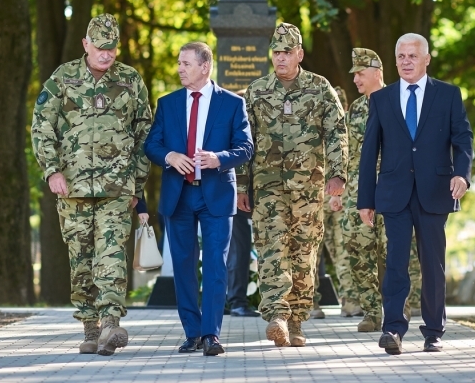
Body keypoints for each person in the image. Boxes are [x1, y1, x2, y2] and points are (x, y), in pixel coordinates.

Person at [31, 13, 152, 356]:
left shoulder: (130, 80)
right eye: (100, 48)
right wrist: (52, 171)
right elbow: (42, 126)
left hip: (117, 189)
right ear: (85, 44)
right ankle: (89, 328)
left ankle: (111, 323)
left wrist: (136, 183)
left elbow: (145, 132)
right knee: (81, 260)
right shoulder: (63, 78)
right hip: (72, 188)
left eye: (112, 49)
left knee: (112, 257)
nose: (107, 54)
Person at [357, 33, 473, 355]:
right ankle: (393, 329)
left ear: (426, 59)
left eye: (412, 56)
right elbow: (370, 152)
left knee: (432, 265)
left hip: (435, 191)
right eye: (401, 56)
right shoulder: (381, 99)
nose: (406, 62)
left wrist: (462, 175)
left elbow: (463, 140)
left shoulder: (448, 95)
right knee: (395, 262)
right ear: (395, 61)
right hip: (393, 193)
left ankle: (434, 332)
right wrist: (365, 200)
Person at [237, 23, 348, 347]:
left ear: (299, 53)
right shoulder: (257, 91)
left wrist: (337, 174)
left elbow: (337, 133)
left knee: (303, 255)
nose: (281, 58)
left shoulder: (320, 88)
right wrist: (242, 185)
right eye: (276, 52)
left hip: (308, 188)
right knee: (272, 251)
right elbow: (245, 141)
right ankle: (277, 315)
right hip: (268, 186)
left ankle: (298, 318)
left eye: (287, 52)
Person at [144, 42, 253, 356]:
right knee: (183, 266)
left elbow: (245, 147)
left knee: (216, 265)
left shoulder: (232, 104)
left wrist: (219, 158)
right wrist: (169, 155)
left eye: (186, 64)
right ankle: (192, 333)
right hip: (178, 196)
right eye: (179, 63)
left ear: (205, 66)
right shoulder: (168, 103)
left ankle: (211, 335)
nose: (180, 69)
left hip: (216, 194)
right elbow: (152, 144)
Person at [333, 48, 422, 333]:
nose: (356, 79)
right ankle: (372, 311)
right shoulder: (356, 110)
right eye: (355, 74)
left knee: (396, 254)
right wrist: (339, 191)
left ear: (377, 73)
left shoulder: (402, 101)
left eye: (360, 73)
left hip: (395, 193)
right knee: (357, 251)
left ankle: (399, 311)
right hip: (359, 194)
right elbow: (346, 153)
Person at [311, 86, 362, 320]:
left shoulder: (352, 127)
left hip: (342, 196)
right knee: (312, 252)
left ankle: (350, 301)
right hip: (317, 197)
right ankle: (310, 303)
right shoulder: (314, 125)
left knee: (344, 249)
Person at [226, 90, 261, 318]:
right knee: (239, 248)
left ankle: (244, 301)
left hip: (263, 189)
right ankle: (237, 301)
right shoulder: (234, 123)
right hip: (238, 193)